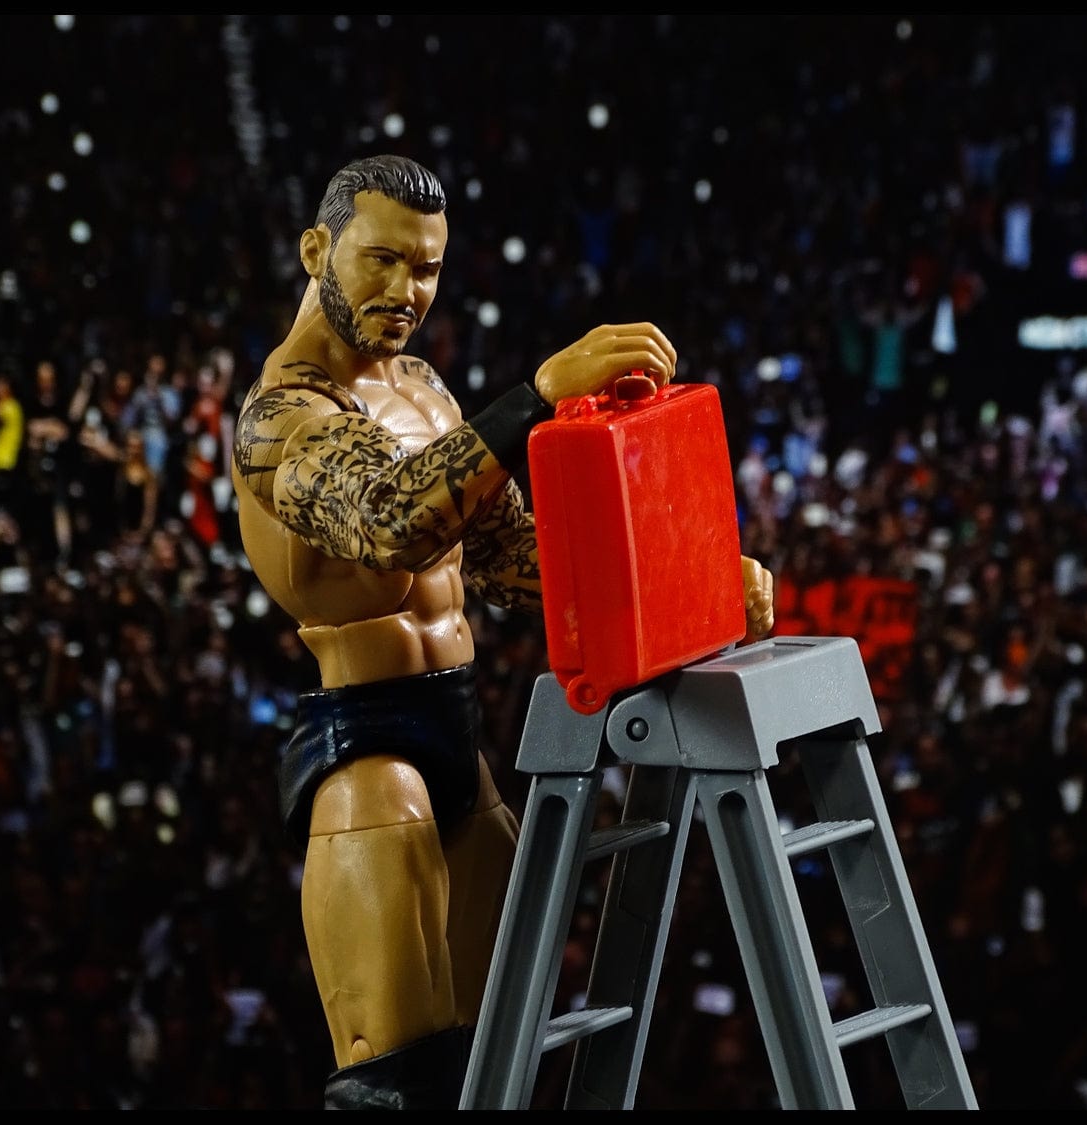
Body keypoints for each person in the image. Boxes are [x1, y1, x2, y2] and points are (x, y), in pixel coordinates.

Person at [231, 153, 774, 1110]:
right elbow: (390, 522)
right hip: (366, 755)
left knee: (503, 1057)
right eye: (383, 259)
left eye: (427, 268)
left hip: (458, 735)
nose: (408, 290)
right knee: (399, 1082)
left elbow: (507, 556)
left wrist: (688, 586)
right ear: (317, 250)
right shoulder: (281, 415)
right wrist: (535, 397)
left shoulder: (423, 390)